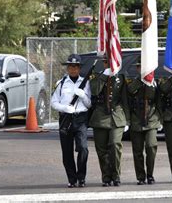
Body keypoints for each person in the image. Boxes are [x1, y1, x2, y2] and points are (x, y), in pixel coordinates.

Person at [51, 54, 91, 188]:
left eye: (76, 67)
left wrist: (83, 95)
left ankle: (81, 177)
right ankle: (72, 179)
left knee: (83, 148)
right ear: (67, 68)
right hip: (66, 119)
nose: (73, 69)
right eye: (71, 67)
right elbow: (53, 102)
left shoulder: (86, 83)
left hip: (80, 118)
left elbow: (89, 104)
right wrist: (64, 108)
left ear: (79, 68)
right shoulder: (61, 83)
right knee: (67, 152)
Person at [89, 56, 129, 187]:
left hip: (117, 115)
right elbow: (95, 91)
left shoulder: (121, 78)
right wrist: (105, 75)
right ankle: (106, 177)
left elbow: (125, 100)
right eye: (106, 62)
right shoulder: (96, 76)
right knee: (101, 149)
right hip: (100, 116)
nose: (108, 64)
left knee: (115, 144)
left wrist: (127, 120)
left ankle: (116, 175)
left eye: (111, 61)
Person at [127, 59, 161, 185]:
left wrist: (160, 119)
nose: (142, 69)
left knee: (151, 146)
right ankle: (141, 176)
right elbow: (130, 91)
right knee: (137, 150)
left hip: (151, 119)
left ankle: (150, 175)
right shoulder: (133, 82)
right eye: (140, 67)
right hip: (136, 118)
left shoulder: (154, 82)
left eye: (144, 67)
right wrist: (140, 79)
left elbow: (158, 101)